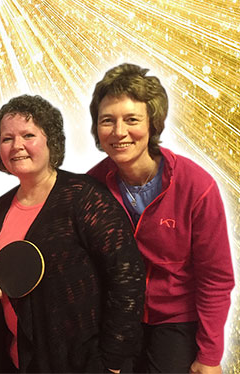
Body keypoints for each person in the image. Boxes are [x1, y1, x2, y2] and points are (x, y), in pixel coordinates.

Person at [0, 94, 146, 373]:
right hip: (20, 360)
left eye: (28, 135)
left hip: (81, 364)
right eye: (7, 138)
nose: (17, 146)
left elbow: (127, 276)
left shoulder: (83, 196)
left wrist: (113, 361)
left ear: (50, 139)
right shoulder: (1, 206)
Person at [87, 63, 235, 374]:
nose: (119, 132)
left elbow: (216, 278)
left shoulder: (196, 186)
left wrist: (209, 356)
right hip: (115, 319)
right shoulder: (91, 186)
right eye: (107, 121)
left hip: (176, 321)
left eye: (132, 120)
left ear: (154, 124)